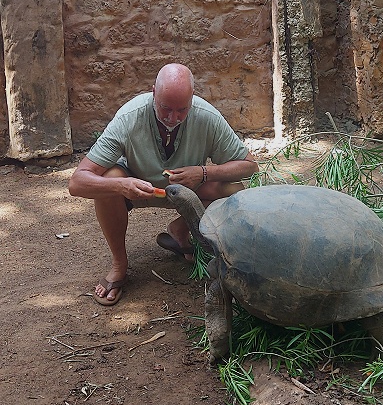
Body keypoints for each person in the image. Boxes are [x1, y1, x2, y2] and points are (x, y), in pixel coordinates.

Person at [68, 63, 258, 306]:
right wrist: (121, 186)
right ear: (153, 93)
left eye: (182, 110)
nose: (172, 118)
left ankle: (180, 230)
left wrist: (203, 172)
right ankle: (119, 265)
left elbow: (250, 166)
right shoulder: (129, 117)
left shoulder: (206, 116)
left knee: (234, 190)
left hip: (188, 191)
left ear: (192, 99)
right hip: (134, 188)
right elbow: (77, 182)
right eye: (165, 108)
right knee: (108, 181)